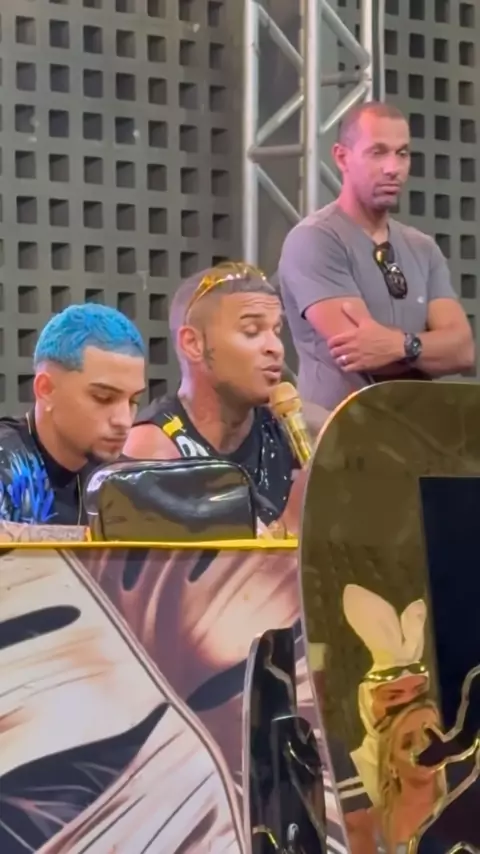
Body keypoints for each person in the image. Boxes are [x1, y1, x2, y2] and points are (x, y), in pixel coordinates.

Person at [278, 101, 474, 410]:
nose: (392, 168)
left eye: (402, 153)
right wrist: (429, 347)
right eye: (377, 152)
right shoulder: (315, 239)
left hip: (413, 431)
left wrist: (401, 345)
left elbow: (462, 351)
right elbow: (364, 353)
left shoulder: (422, 247)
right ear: (342, 157)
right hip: (338, 430)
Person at [123, 262, 309, 535]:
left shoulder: (287, 428)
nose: (275, 348)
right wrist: (291, 523)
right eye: (252, 331)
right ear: (193, 344)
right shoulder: (153, 455)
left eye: (276, 331)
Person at [0, 303, 145, 526]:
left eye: (133, 401)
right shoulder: (6, 467)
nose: (124, 421)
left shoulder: (128, 483)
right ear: (46, 390)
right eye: (103, 398)